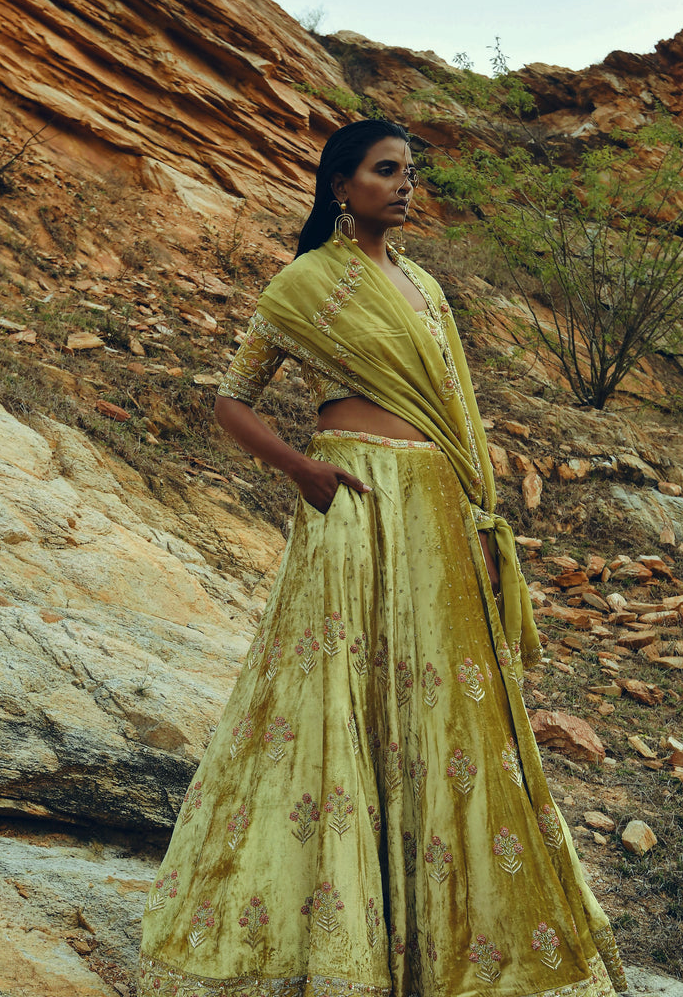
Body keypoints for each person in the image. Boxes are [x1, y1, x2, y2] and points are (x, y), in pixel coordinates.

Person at [138, 119, 627, 997]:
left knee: (448, 716)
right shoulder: (306, 284)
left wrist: (480, 516)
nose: (403, 185)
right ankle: (329, 943)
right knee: (340, 702)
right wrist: (303, 472)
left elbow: (459, 412)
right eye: (385, 170)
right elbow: (230, 398)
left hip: (438, 509)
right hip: (352, 502)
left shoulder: (428, 289)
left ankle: (449, 951)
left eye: (410, 172)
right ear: (341, 185)